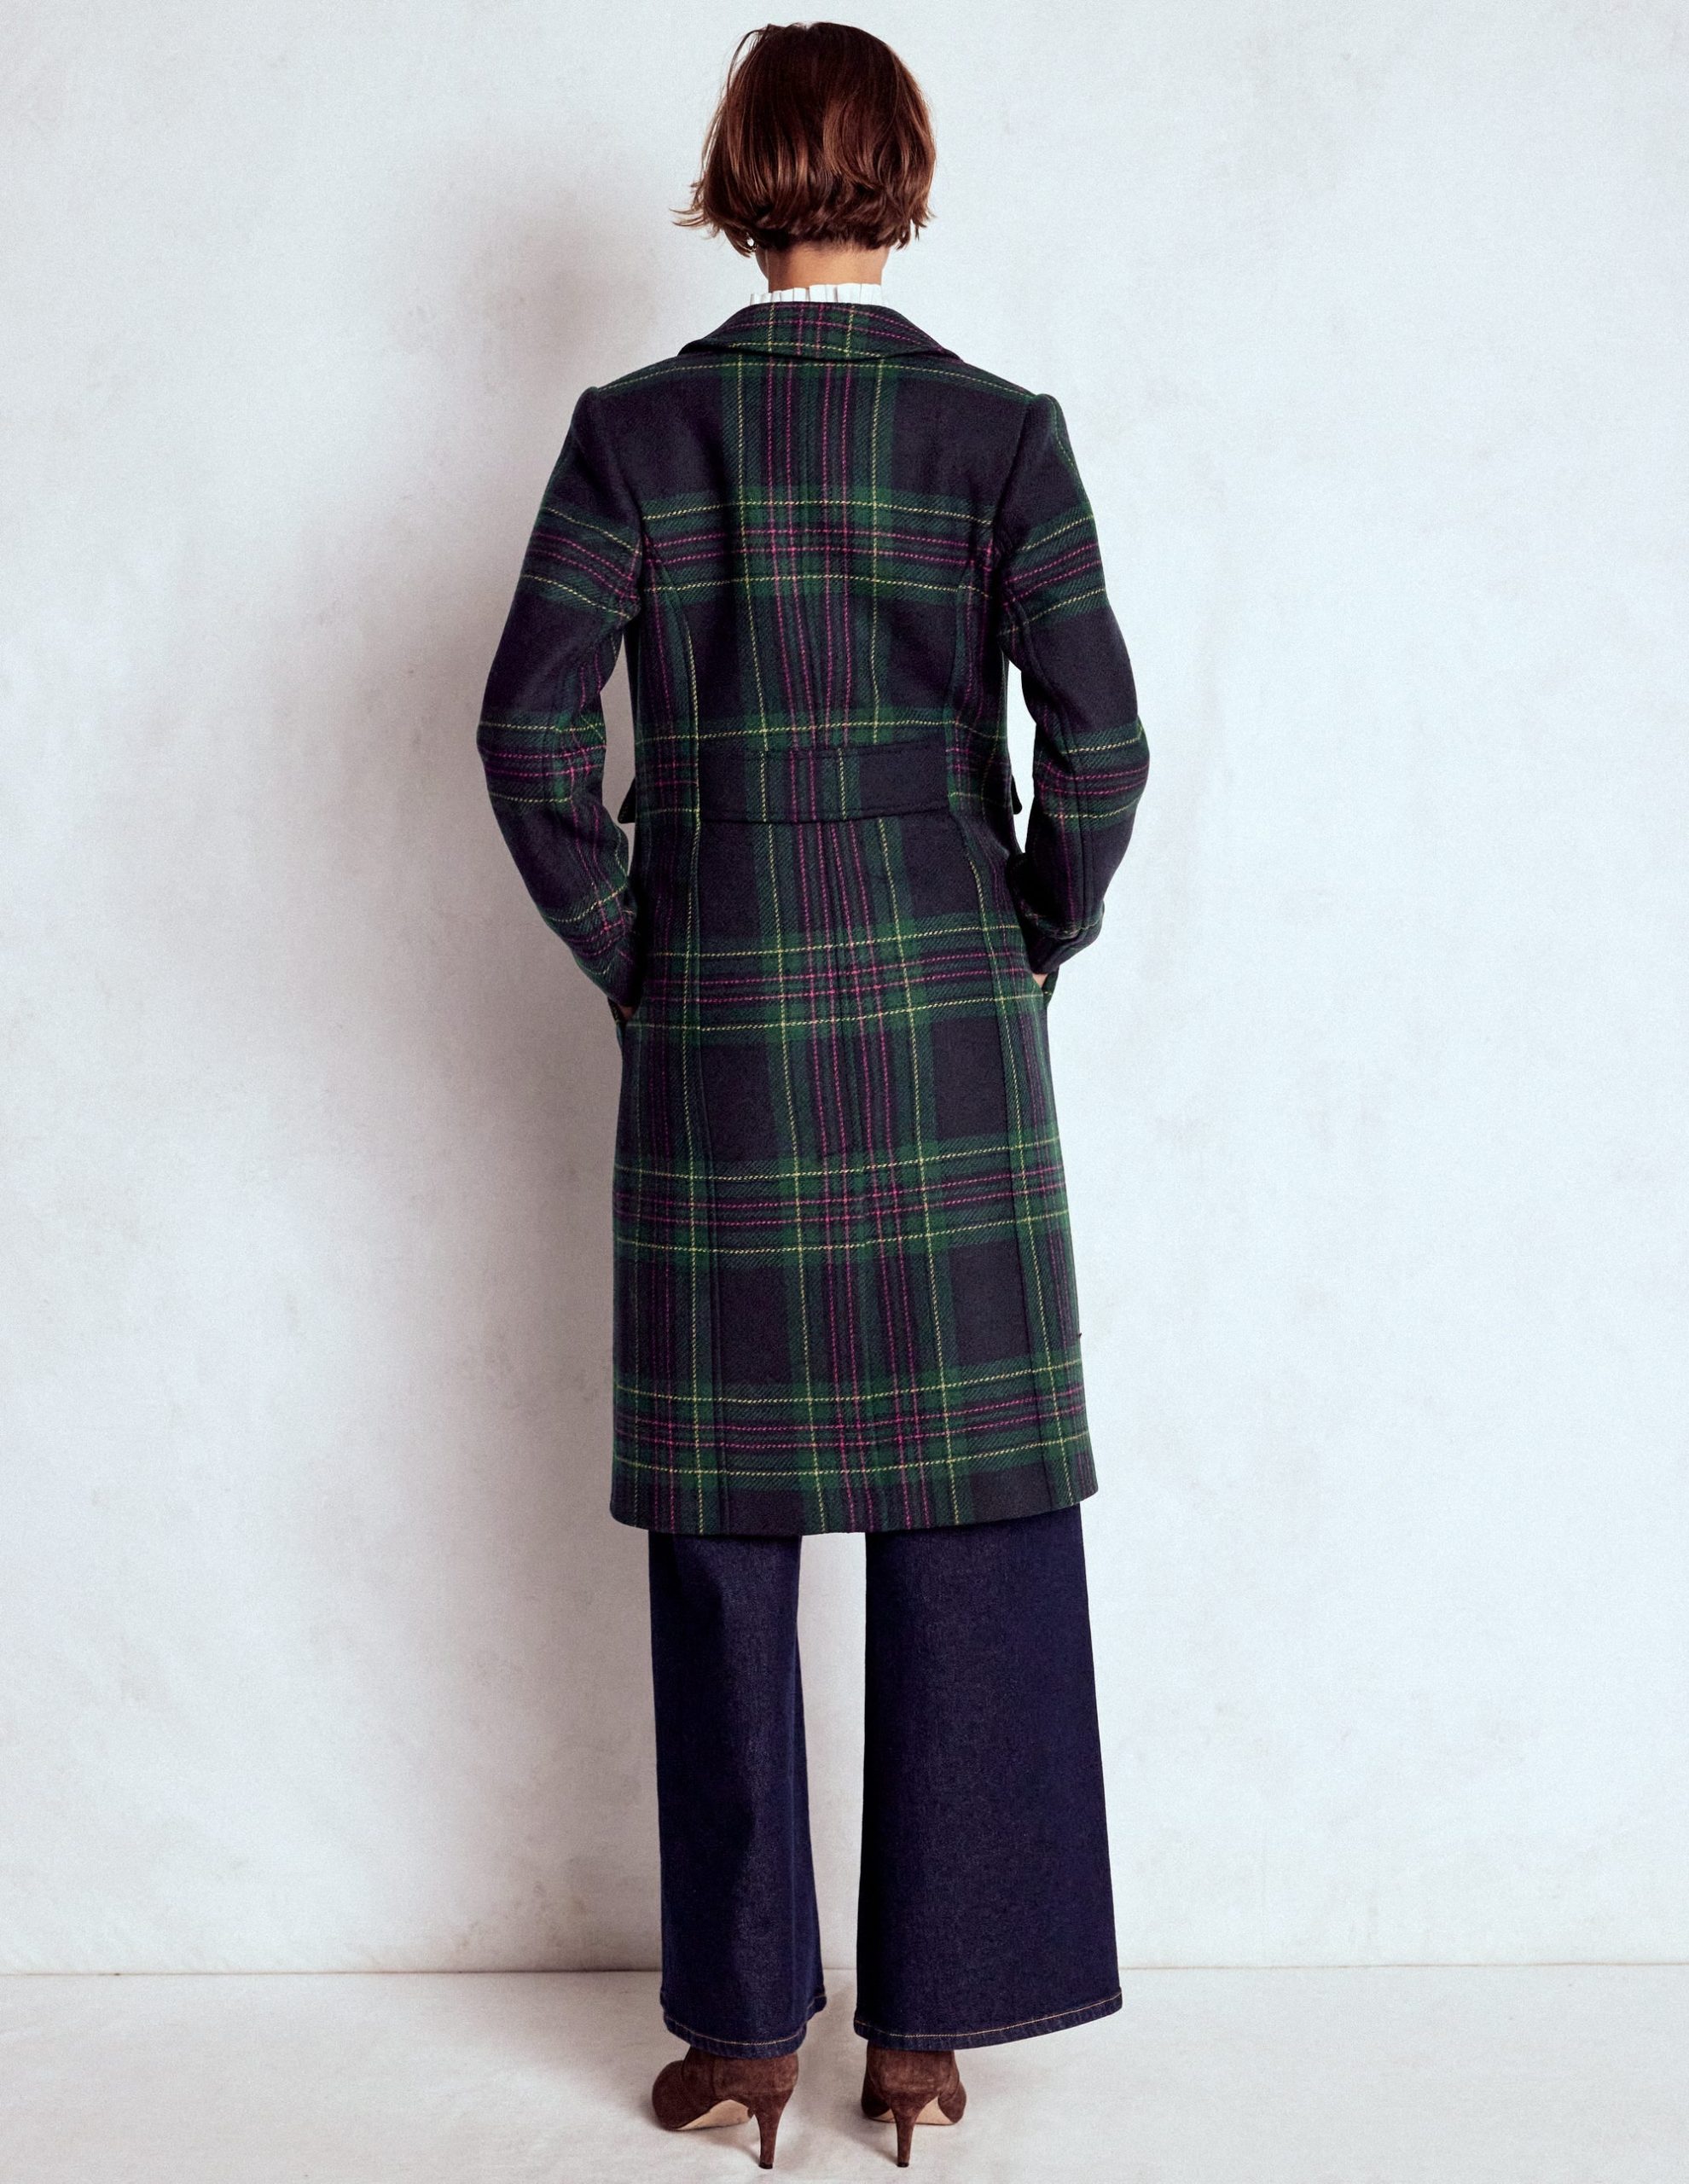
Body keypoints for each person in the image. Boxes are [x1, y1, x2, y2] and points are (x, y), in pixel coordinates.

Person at [475, 20, 1149, 2169]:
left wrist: (640, 945)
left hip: (723, 1034)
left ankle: (746, 2038)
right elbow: (1103, 745)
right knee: (975, 1515)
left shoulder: (637, 434)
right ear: (905, 178)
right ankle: (929, 2042)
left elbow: (525, 735)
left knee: (724, 1527)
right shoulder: (1000, 436)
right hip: (947, 1023)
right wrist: (1028, 931)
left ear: (736, 179)